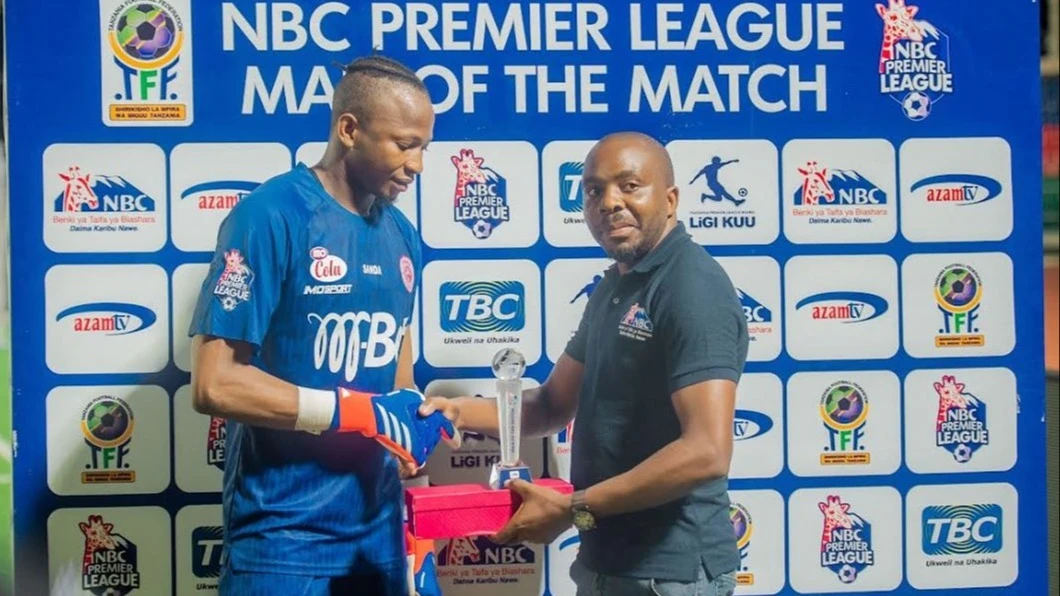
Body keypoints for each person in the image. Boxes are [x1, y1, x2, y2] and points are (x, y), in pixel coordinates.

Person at [421, 131, 748, 596]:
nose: (610, 202)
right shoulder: (617, 286)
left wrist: (574, 509)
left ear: (670, 199)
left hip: (670, 575)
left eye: (629, 186)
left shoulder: (692, 287)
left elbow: (707, 451)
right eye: (595, 190)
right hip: (607, 563)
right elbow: (551, 404)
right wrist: (456, 411)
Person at [188, 54, 454, 596]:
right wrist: (357, 412)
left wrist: (409, 433)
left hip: (377, 538)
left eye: (424, 147)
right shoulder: (270, 215)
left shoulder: (403, 235)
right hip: (281, 540)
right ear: (349, 129)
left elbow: (395, 360)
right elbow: (215, 383)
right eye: (404, 145)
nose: (418, 165)